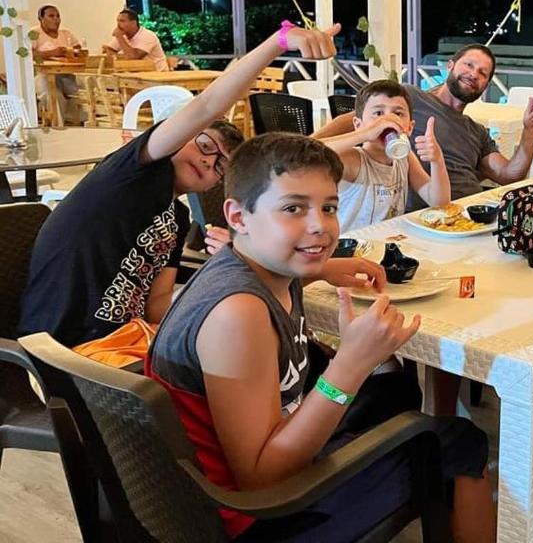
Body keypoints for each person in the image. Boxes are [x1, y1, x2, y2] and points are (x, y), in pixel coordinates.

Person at [147, 133, 497, 542]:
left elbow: (299, 260)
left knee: (395, 389)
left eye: (329, 207)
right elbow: (263, 479)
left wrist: (327, 267)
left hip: (272, 449)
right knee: (457, 441)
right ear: (238, 217)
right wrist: (350, 364)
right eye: (293, 208)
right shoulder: (236, 314)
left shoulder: (263, 262)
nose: (319, 227)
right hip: (258, 517)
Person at [19, 22, 340, 347]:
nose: (208, 161)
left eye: (221, 164)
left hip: (130, 343)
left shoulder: (177, 220)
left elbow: (159, 305)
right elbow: (207, 105)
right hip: (66, 352)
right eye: (203, 145)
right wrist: (278, 41)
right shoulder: (127, 175)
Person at [313, 44, 533, 205]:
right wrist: (309, 143)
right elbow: (349, 122)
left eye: (482, 73)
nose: (473, 74)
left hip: (470, 211)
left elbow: (508, 175)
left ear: (486, 85)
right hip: (422, 216)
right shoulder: (408, 99)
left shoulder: (476, 131)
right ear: (450, 66)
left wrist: (530, 136)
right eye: (468, 65)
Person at [322, 79, 450, 230]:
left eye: (398, 113)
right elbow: (306, 152)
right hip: (351, 248)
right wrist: (364, 134)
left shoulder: (404, 157)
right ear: (358, 125)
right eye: (378, 113)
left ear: (409, 127)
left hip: (388, 243)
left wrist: (437, 160)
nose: (388, 120)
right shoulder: (354, 160)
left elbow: (439, 202)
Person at [31, 4, 83, 122]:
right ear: (41, 18)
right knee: (54, 96)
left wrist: (72, 52)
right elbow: (30, 55)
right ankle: (58, 126)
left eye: (58, 16)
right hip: (43, 75)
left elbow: (78, 49)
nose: (56, 19)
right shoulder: (34, 33)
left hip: (66, 74)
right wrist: (54, 52)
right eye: (51, 16)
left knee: (81, 94)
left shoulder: (66, 33)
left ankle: (81, 125)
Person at [102, 8, 169, 71]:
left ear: (133, 23)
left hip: (157, 74)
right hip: (137, 74)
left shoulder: (147, 36)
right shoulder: (123, 35)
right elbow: (108, 50)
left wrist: (119, 37)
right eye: (118, 21)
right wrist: (122, 56)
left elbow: (134, 57)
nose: (118, 25)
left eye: (122, 21)